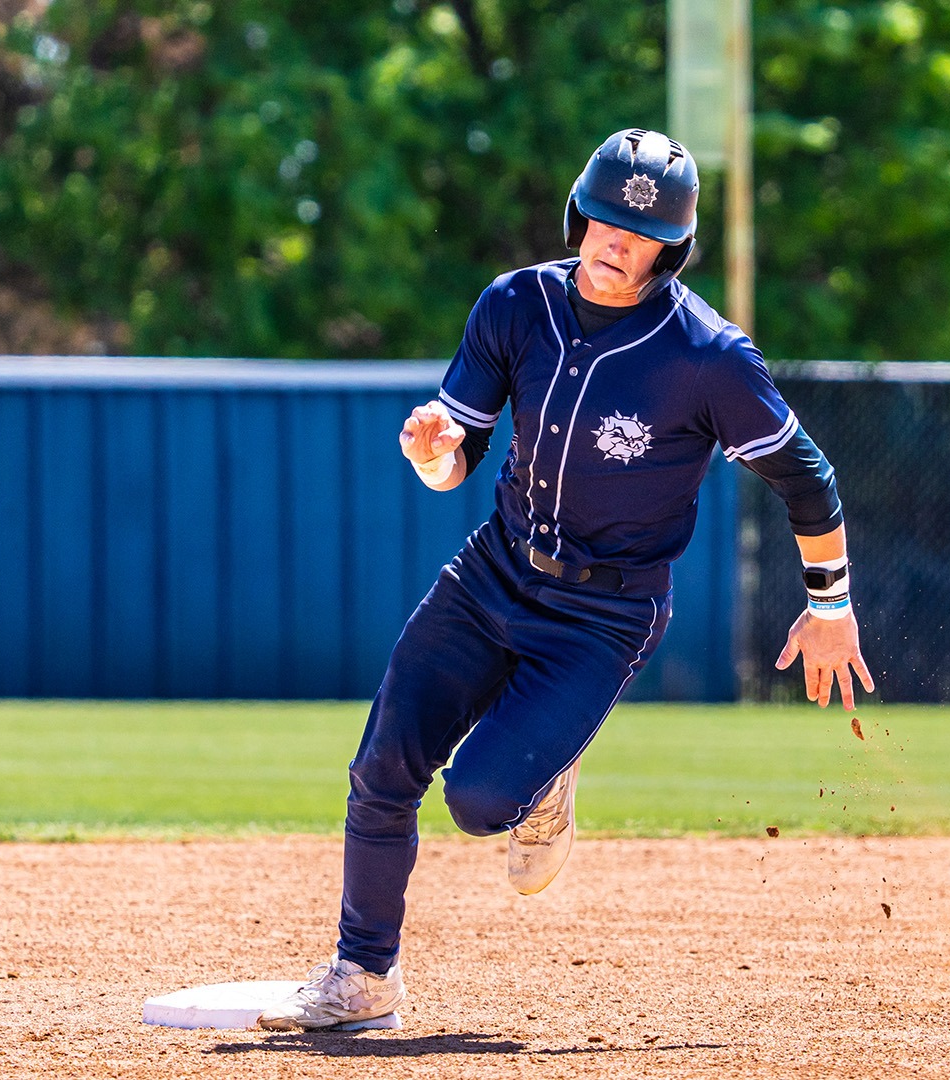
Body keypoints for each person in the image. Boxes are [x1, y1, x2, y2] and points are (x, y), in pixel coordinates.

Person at [258, 128, 874, 1030]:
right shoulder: (516, 305)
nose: (612, 241)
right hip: (493, 572)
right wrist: (432, 453)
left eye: (638, 230)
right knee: (382, 767)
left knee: (477, 802)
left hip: (603, 612)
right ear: (578, 211)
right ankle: (363, 977)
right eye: (602, 218)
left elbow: (806, 476)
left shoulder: (709, 357)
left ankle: (546, 779)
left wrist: (831, 606)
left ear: (672, 246)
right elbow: (455, 454)